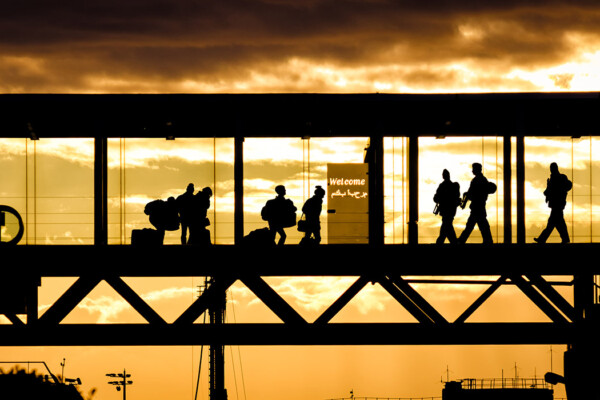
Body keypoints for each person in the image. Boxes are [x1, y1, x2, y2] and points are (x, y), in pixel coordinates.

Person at [534, 162, 572, 244]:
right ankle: (565, 238)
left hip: (557, 204)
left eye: (552, 168)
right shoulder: (555, 179)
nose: (551, 170)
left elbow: (568, 185)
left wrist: (561, 191)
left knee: (552, 223)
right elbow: (549, 190)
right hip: (556, 204)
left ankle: (542, 239)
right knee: (558, 223)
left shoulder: (560, 178)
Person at [458, 163, 495, 244]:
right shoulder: (483, 180)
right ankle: (488, 241)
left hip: (477, 207)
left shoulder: (476, 180)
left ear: (477, 170)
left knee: (472, 226)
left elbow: (471, 194)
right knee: (482, 226)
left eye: (474, 169)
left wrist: (465, 199)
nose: (472, 171)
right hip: (480, 207)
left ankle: (461, 241)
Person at [433, 169, 460, 244]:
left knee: (446, 226)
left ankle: (442, 241)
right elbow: (436, 197)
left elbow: (437, 197)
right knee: (447, 226)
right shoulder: (445, 186)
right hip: (448, 210)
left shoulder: (453, 186)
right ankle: (453, 241)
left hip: (448, 209)